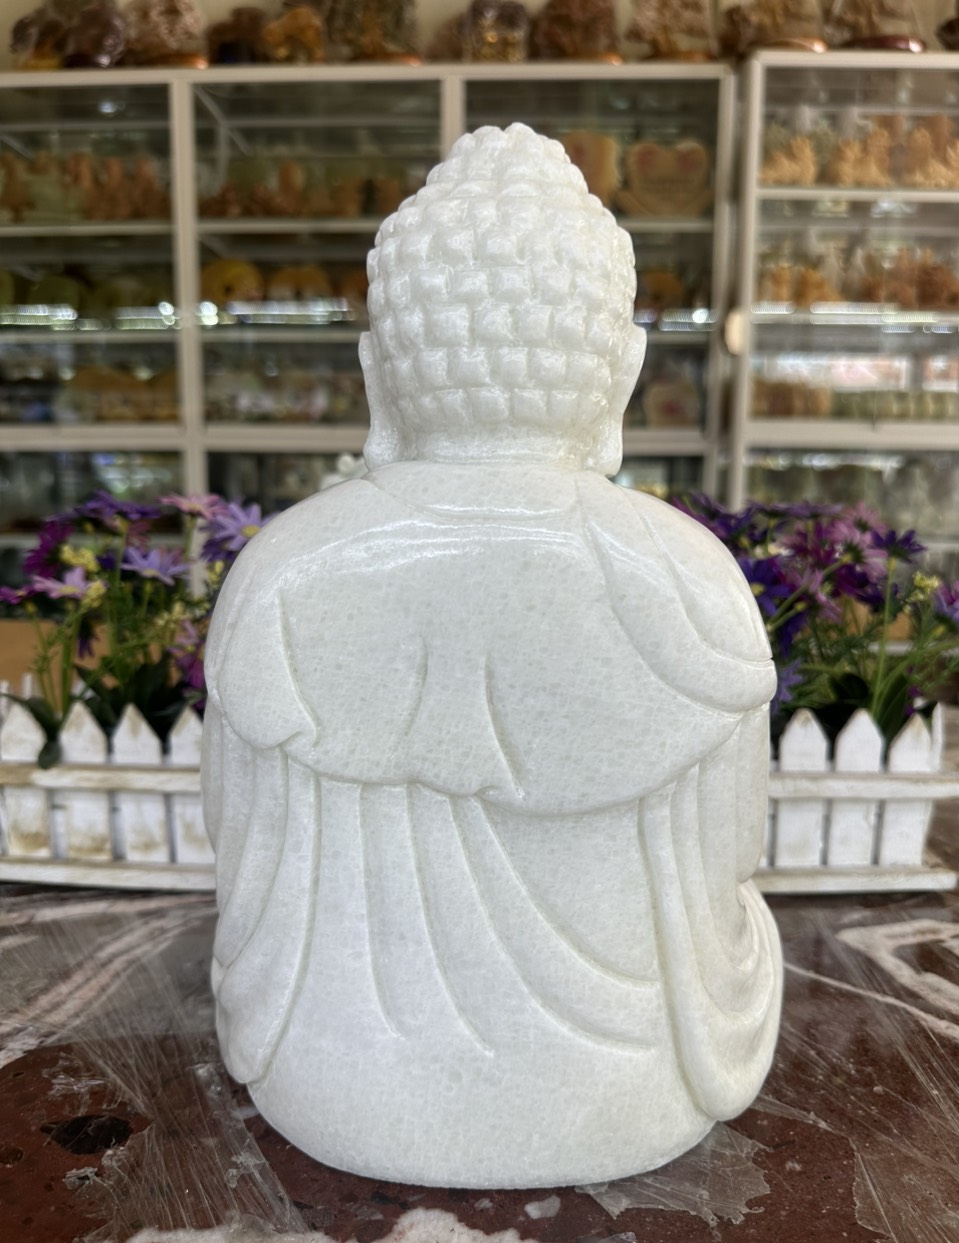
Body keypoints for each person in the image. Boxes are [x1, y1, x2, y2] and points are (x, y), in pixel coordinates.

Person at [202, 123, 782, 1189]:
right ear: (622, 376)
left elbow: (242, 870)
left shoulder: (282, 573)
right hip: (635, 1094)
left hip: (335, 1084)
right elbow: (729, 871)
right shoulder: (692, 582)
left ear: (378, 375)